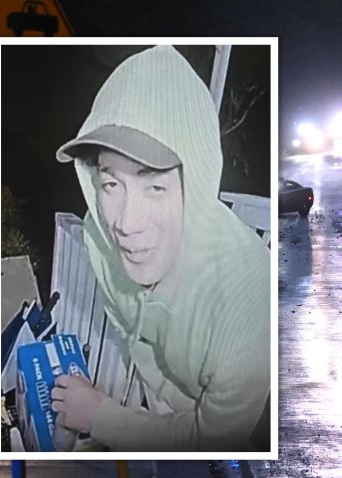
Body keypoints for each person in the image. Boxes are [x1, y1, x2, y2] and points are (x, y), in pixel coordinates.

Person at [48, 45, 270, 452]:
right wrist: (140, 422)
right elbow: (138, 344)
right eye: (111, 184)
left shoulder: (248, 300)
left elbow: (220, 442)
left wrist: (103, 418)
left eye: (154, 186)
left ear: (196, 187)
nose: (125, 224)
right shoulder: (101, 245)